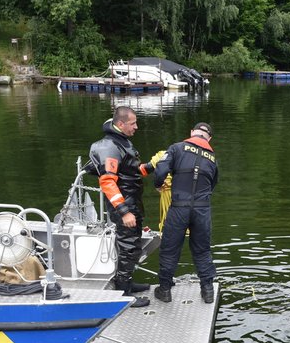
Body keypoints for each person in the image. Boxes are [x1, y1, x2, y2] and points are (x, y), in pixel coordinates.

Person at [88, 106, 155, 307]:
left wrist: (153, 165)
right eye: (133, 123)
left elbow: (133, 171)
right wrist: (124, 211)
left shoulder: (122, 142)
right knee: (128, 246)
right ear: (120, 124)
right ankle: (123, 293)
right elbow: (107, 181)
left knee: (133, 245)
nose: (136, 127)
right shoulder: (109, 146)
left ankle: (127, 282)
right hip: (124, 204)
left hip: (133, 201)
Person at [152, 121, 219, 304]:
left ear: (192, 132)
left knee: (170, 249)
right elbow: (213, 184)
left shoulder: (176, 148)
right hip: (202, 209)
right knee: (203, 251)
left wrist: (158, 185)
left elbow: (160, 169)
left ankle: (164, 290)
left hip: (179, 208)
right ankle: (208, 292)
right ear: (209, 138)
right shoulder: (212, 158)